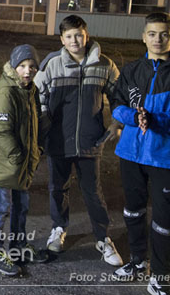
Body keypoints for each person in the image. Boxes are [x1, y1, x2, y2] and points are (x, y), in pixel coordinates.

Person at [111, 13, 170, 295]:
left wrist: (156, 120)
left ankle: (161, 276)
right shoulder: (131, 70)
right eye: (152, 33)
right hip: (131, 154)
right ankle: (138, 262)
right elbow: (116, 103)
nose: (158, 39)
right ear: (143, 37)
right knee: (132, 211)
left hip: (165, 157)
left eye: (165, 34)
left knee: (164, 220)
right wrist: (132, 116)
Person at [34, 14, 123, 266]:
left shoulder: (104, 64)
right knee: (57, 188)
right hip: (58, 141)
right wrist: (43, 127)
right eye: (69, 36)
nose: (75, 40)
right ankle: (59, 229)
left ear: (87, 34)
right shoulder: (51, 64)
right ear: (62, 39)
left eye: (79, 35)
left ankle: (103, 238)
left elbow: (119, 97)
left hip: (90, 141)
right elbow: (38, 97)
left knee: (92, 191)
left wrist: (117, 123)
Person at [0, 45, 48, 276]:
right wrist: (19, 156)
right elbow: (1, 131)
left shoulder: (30, 90)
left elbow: (34, 125)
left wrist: (35, 151)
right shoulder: (7, 92)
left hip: (23, 162)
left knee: (22, 206)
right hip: (6, 162)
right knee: (2, 206)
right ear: (13, 67)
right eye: (22, 66)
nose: (27, 71)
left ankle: (18, 246)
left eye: (32, 67)